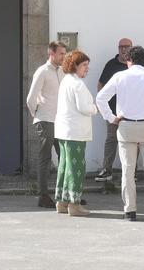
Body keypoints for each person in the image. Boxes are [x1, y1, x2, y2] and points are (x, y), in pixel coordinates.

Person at [97, 45, 144, 221]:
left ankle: (130, 211)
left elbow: (101, 98)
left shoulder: (120, 76)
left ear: (128, 60)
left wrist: (111, 118)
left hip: (126, 126)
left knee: (127, 170)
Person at [54, 50, 99, 217]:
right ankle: (74, 204)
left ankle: (62, 201)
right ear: (75, 66)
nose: (87, 68)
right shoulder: (78, 84)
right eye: (84, 65)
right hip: (76, 132)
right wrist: (96, 108)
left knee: (65, 166)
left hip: (64, 130)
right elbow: (84, 108)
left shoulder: (66, 81)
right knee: (76, 167)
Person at [25, 41, 66, 209]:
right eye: (61, 53)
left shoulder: (63, 72)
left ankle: (66, 196)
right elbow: (30, 99)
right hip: (46, 120)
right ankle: (43, 195)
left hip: (61, 121)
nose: (64, 56)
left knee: (65, 158)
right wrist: (38, 115)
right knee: (45, 158)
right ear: (52, 54)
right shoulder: (42, 72)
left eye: (65, 53)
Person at [94, 38, 132, 182]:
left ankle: (131, 172)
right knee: (111, 139)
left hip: (131, 112)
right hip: (113, 111)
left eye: (127, 47)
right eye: (121, 47)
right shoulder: (111, 64)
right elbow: (101, 83)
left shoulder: (137, 65)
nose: (124, 49)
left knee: (132, 141)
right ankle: (106, 170)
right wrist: (103, 105)